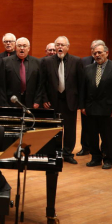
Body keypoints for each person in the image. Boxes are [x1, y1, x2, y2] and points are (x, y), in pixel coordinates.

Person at [41, 36, 84, 164]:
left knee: (70, 129)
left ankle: (67, 153)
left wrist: (80, 103)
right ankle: (53, 152)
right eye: (58, 45)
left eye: (62, 45)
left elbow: (81, 84)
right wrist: (44, 98)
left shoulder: (76, 61)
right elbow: (42, 83)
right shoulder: (47, 61)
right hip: (52, 101)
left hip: (70, 101)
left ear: (68, 47)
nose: (60, 47)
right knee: (53, 128)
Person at [82, 44, 112, 169]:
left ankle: (109, 159)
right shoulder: (88, 69)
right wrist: (82, 106)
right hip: (90, 108)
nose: (97, 55)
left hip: (107, 108)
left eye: (100, 52)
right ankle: (95, 158)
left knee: (107, 135)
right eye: (95, 53)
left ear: (107, 53)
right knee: (92, 135)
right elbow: (83, 89)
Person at [77, 39, 101, 156]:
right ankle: (85, 147)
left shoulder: (109, 64)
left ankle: (103, 150)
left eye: (97, 48)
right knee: (85, 126)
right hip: (87, 100)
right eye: (92, 48)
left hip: (102, 102)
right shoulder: (84, 61)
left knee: (102, 128)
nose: (94, 51)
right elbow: (80, 82)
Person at [2, 37, 42, 108]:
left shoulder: (37, 62)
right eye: (19, 46)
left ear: (29, 48)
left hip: (31, 102)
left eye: (24, 46)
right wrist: (4, 103)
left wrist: (37, 101)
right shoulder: (6, 61)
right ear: (16, 47)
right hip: (11, 102)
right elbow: (2, 85)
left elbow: (40, 84)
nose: (22, 48)